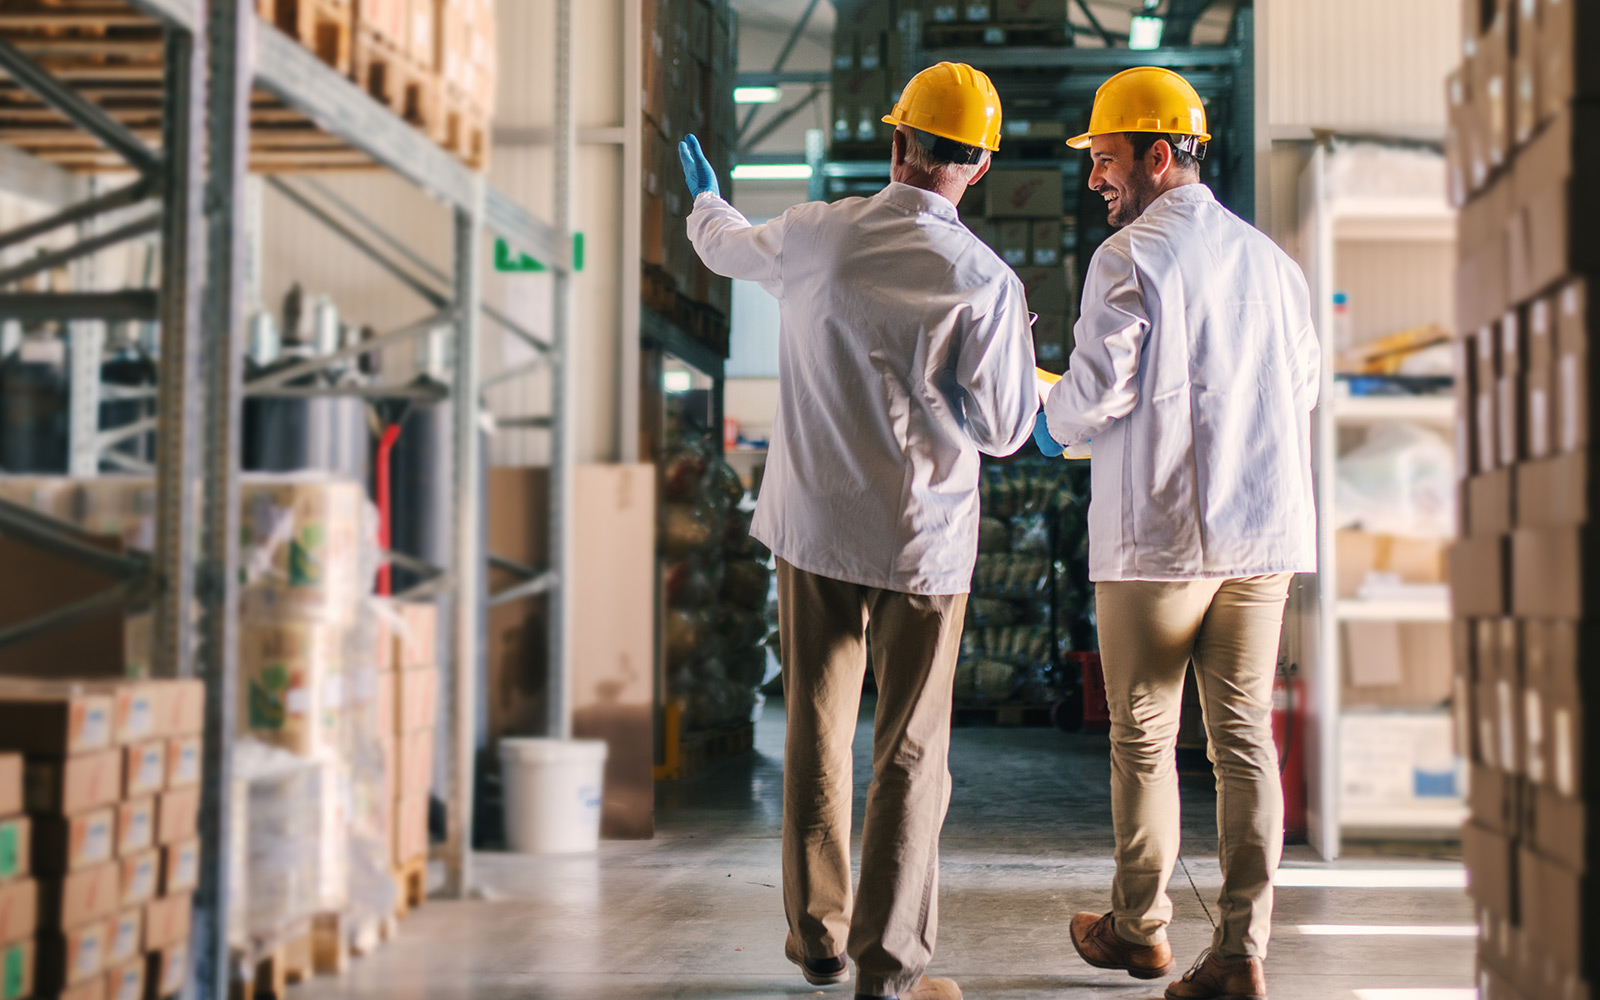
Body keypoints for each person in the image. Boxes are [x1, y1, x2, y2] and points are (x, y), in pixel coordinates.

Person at [678, 61, 1038, 1000]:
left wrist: (706, 201)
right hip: (924, 542)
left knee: (816, 733)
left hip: (814, 532)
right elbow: (1002, 432)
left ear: (897, 144)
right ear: (980, 167)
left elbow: (722, 248)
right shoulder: (985, 282)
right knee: (912, 753)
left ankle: (818, 939)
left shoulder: (816, 235)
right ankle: (890, 967)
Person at [1036, 67, 1320, 1000]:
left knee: (1145, 737)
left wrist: (1049, 404)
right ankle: (1242, 951)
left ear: (1160, 156)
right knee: (1243, 742)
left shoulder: (1129, 259)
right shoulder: (1277, 267)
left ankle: (1139, 927)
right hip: (1263, 534)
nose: (1094, 180)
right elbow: (1303, 392)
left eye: (1107, 159)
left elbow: (1092, 402)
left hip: (1159, 539)